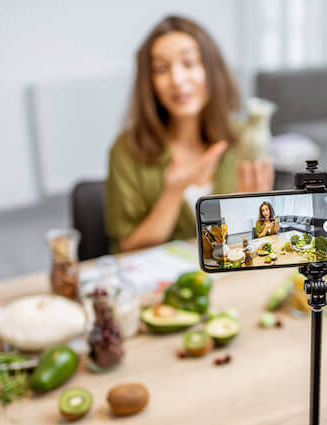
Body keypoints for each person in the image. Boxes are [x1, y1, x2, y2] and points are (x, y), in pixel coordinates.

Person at [105, 15, 274, 252]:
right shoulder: (128, 148)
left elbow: (251, 241)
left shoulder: (241, 139)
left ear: (211, 69)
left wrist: (246, 211)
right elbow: (129, 248)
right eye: (161, 69)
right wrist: (173, 192)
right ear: (150, 82)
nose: (177, 79)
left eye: (189, 63)